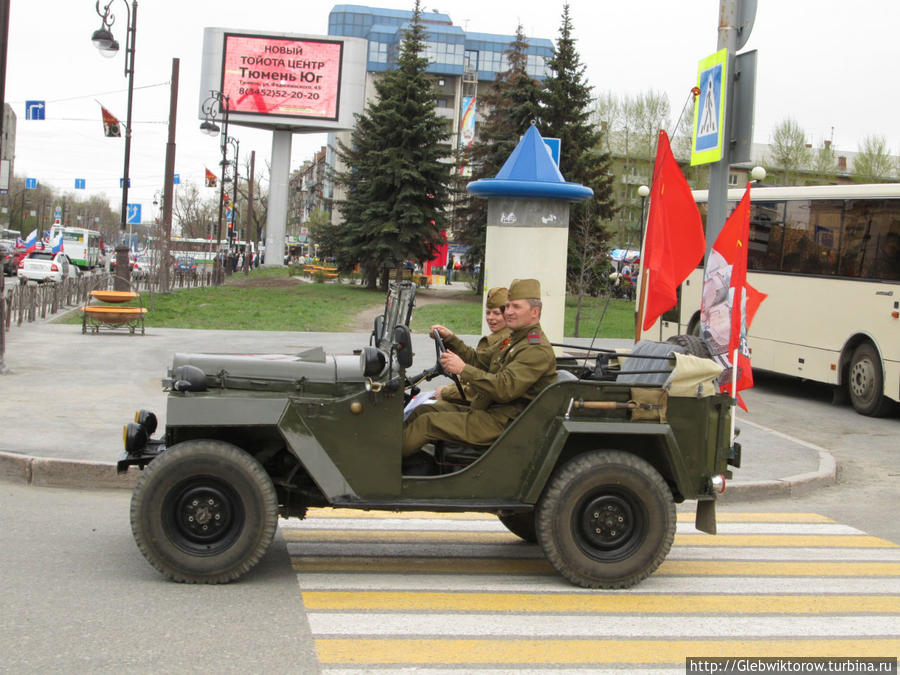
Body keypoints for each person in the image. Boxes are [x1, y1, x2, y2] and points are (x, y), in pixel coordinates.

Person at [402, 279, 556, 457]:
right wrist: (451, 339)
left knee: (427, 423)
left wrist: (462, 369)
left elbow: (504, 388)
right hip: (487, 411)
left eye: (516, 307)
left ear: (534, 312)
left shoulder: (535, 349)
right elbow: (479, 360)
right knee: (423, 410)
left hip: (503, 423)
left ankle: (383, 467)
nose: (509, 312)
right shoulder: (514, 339)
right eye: (507, 307)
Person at [432, 286, 511, 403]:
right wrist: (450, 338)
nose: (490, 318)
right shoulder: (496, 338)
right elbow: (475, 361)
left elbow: (482, 385)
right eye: (488, 313)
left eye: (496, 313)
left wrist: (446, 392)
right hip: (468, 394)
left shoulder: (504, 342)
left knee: (422, 415)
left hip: (477, 402)